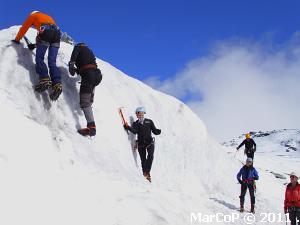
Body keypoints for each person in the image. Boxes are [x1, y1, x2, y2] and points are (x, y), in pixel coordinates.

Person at [12, 11, 62, 100]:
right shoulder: (49, 17)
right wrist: (35, 45)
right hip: (57, 33)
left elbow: (24, 28)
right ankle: (57, 83)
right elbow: (48, 36)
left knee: (39, 58)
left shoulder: (33, 16)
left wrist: (17, 39)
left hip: (46, 31)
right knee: (52, 61)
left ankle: (44, 79)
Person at [68, 43, 102, 136]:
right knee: (89, 95)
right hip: (96, 75)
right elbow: (87, 65)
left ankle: (92, 127)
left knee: (84, 102)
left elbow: (74, 55)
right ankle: (90, 101)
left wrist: (71, 64)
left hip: (88, 75)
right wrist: (77, 70)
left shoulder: (78, 47)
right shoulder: (89, 52)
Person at [124, 107, 161, 182]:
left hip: (150, 142)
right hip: (141, 144)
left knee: (150, 156)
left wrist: (158, 131)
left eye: (139, 112)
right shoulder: (135, 123)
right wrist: (128, 127)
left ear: (143, 113)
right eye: (137, 113)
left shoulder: (149, 122)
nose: (138, 114)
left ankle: (147, 172)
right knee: (143, 160)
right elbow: (134, 131)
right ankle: (146, 175)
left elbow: (154, 131)